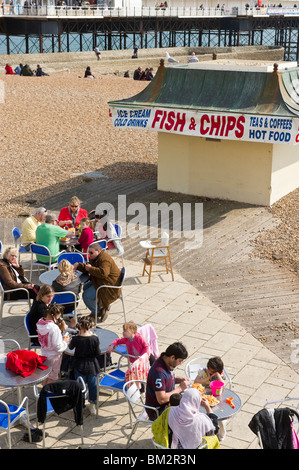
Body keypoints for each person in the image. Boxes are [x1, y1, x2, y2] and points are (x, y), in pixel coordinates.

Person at [74, 242, 121, 322]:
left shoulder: (104, 259)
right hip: (102, 281)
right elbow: (88, 266)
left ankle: (97, 312)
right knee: (85, 287)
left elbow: (103, 273)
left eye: (91, 252)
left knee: (86, 296)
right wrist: (78, 265)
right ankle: (102, 307)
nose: (89, 254)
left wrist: (91, 269)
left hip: (109, 285)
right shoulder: (96, 257)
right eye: (89, 252)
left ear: (98, 251)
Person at [145, 342, 190, 420]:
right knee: (189, 417)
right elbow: (161, 399)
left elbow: (165, 381)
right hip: (158, 410)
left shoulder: (165, 361)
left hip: (169, 402)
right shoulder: (159, 373)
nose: (180, 363)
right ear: (172, 357)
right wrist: (180, 388)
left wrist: (178, 380)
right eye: (180, 360)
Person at [68, 317, 103, 415]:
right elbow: (98, 352)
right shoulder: (95, 339)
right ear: (90, 327)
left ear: (79, 327)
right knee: (93, 386)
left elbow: (70, 347)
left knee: (79, 386)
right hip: (92, 366)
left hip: (79, 365)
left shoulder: (76, 339)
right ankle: (92, 404)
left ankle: (80, 404)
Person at [36, 303, 69, 385]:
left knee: (47, 374)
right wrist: (65, 341)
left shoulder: (40, 322)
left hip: (45, 353)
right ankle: (47, 393)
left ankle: (44, 389)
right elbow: (58, 347)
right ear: (56, 315)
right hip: (54, 356)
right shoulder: (54, 328)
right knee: (53, 377)